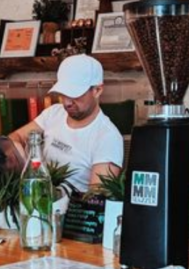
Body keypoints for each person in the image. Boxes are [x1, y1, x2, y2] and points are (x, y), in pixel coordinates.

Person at [9, 54, 124, 193]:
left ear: (97, 91)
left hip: (72, 205)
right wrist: (22, 158)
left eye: (75, 94)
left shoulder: (108, 138)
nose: (67, 102)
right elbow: (15, 138)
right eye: (63, 93)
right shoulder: (53, 113)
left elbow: (97, 198)